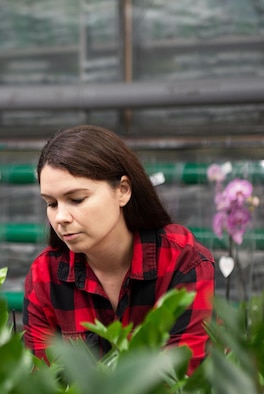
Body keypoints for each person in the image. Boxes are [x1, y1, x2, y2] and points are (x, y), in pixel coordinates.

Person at [22, 124, 215, 374]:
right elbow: (43, 385)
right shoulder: (44, 275)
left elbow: (181, 382)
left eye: (76, 199)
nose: (60, 217)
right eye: (51, 203)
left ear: (122, 190)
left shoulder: (183, 261)